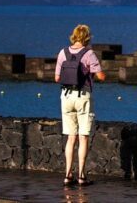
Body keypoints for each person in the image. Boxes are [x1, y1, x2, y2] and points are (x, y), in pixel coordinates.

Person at [55, 24, 106, 187]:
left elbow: (57, 78)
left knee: (71, 138)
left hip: (66, 97)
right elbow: (101, 76)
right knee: (83, 137)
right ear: (87, 37)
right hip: (83, 96)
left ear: (74, 36)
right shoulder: (89, 53)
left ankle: (67, 175)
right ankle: (82, 176)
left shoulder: (63, 52)